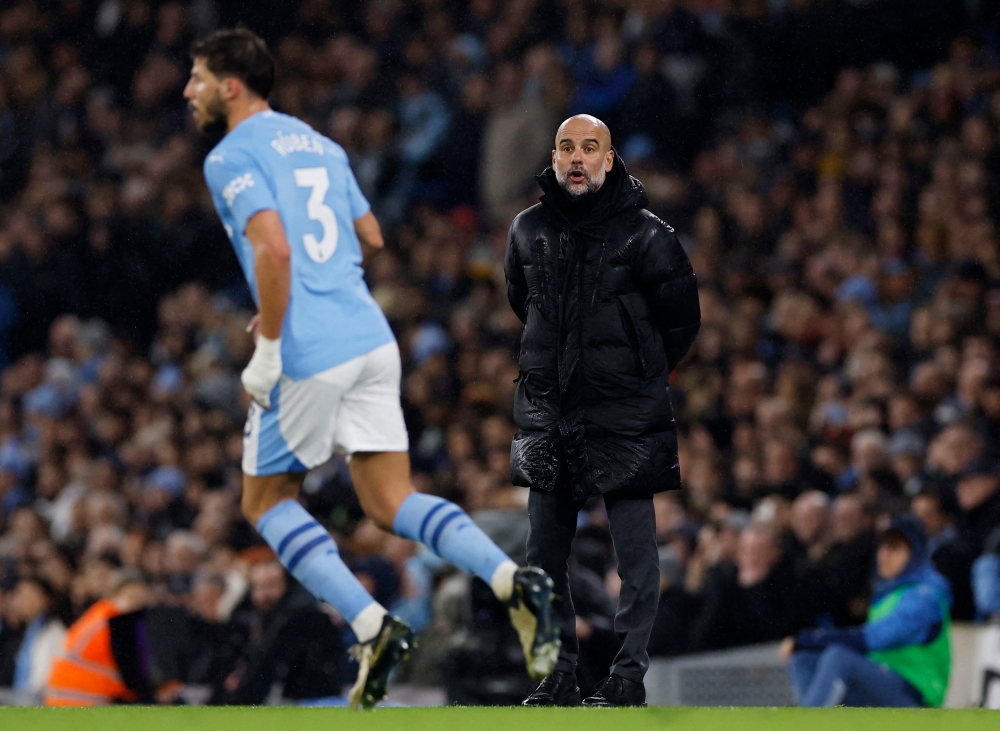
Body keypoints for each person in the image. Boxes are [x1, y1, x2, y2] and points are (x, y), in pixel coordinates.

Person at [183, 28, 558, 709]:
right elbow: (372, 233)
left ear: (231, 85)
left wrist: (268, 345)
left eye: (199, 77)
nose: (189, 90)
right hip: (368, 335)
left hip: (307, 345)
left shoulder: (230, 155)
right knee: (389, 501)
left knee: (264, 500)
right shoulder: (322, 145)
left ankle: (370, 624)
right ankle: (511, 579)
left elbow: (274, 249)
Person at [504, 114, 701, 706]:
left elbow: (682, 321)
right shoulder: (526, 230)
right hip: (549, 412)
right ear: (556, 157)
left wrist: (633, 374)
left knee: (635, 552)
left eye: (590, 148)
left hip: (623, 412)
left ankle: (628, 676)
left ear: (610, 160)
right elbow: (523, 302)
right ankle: (560, 672)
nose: (577, 158)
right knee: (542, 554)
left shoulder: (648, 235)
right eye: (566, 147)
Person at [782, 514, 952, 708]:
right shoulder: (888, 593)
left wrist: (809, 639)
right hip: (887, 687)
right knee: (803, 659)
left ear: (915, 554)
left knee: (838, 657)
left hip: (917, 698)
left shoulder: (924, 596)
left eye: (895, 549)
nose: (884, 555)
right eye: (883, 547)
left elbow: (874, 638)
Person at [44, 574, 151, 706]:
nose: (136, 604)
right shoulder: (114, 620)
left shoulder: (100, 614)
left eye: (141, 600)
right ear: (115, 597)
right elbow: (129, 674)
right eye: (131, 597)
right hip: (84, 699)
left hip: (64, 696)